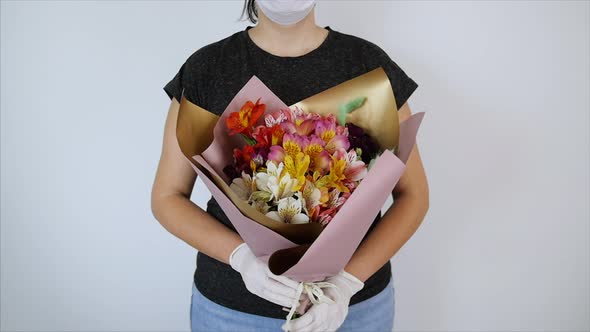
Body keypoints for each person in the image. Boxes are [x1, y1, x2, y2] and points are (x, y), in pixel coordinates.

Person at [151, 0, 430, 331]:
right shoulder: (208, 68)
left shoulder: (368, 65)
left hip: (354, 311)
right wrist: (241, 258)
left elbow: (413, 195)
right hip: (232, 311)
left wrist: (347, 283)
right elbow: (167, 197)